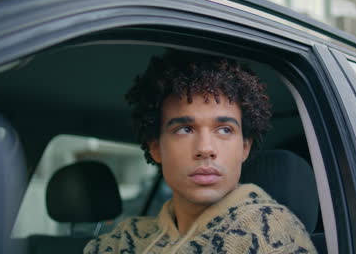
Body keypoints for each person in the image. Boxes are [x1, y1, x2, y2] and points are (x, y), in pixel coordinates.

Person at [84, 50, 317, 253]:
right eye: (185, 129)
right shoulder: (124, 239)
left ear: (244, 147)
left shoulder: (267, 233)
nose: (205, 149)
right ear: (156, 148)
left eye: (224, 130)